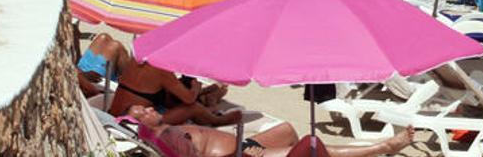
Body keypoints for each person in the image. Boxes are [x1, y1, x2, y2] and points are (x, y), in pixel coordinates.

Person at [128, 105, 414, 157]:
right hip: (240, 155)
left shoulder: (169, 123)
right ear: (142, 125)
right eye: (144, 113)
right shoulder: (164, 139)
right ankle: (383, 147)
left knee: (287, 128)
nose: (150, 109)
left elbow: (196, 112)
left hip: (241, 144)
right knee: (311, 146)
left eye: (148, 107)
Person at [109, 62, 240, 127]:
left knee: (175, 93)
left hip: (115, 113)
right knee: (193, 107)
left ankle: (210, 100)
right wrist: (196, 87)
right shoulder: (160, 69)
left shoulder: (136, 61)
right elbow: (189, 99)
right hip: (137, 122)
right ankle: (216, 120)